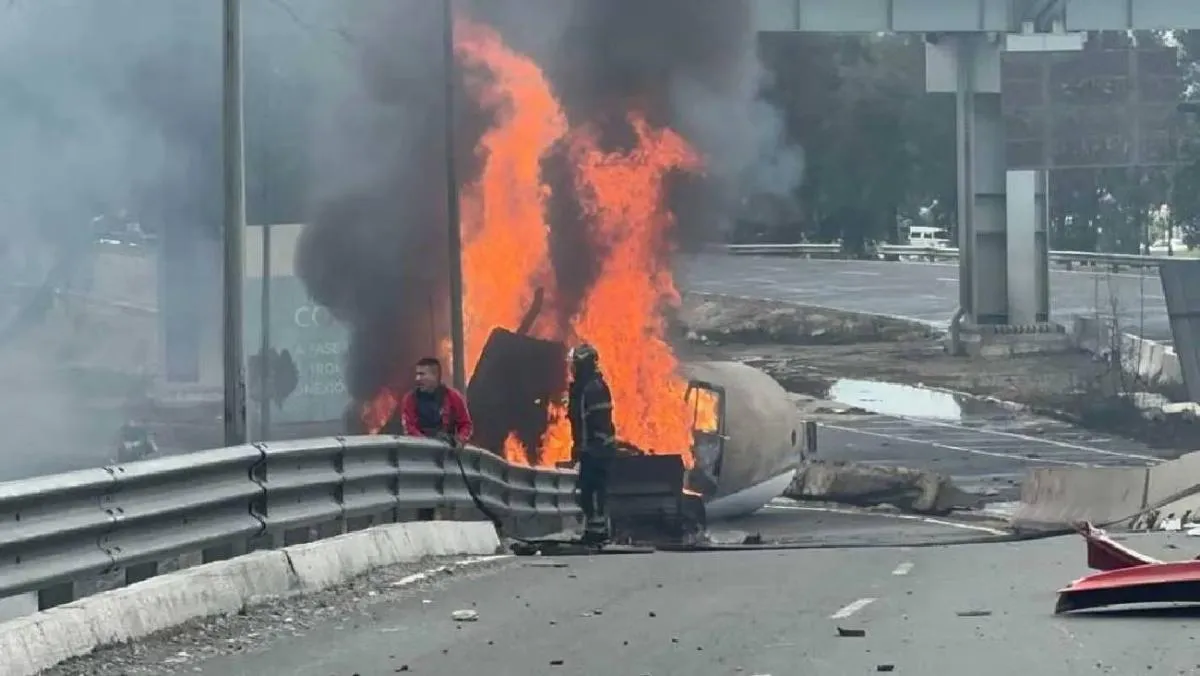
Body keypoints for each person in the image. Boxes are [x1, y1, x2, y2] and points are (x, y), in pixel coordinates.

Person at [566, 343, 617, 541]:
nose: (573, 368)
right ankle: (595, 529)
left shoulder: (593, 388)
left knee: (593, 490)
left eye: (576, 364)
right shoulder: (584, 387)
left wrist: (585, 447)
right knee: (588, 490)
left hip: (598, 449)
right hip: (591, 448)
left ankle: (598, 531)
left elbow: (594, 422)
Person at [394, 357, 473, 445]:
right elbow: (409, 427)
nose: (417, 378)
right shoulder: (410, 399)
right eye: (417, 374)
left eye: (422, 374)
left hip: (447, 452)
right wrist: (427, 444)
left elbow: (466, 425)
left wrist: (460, 440)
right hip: (419, 451)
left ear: (435, 375)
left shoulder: (453, 397)